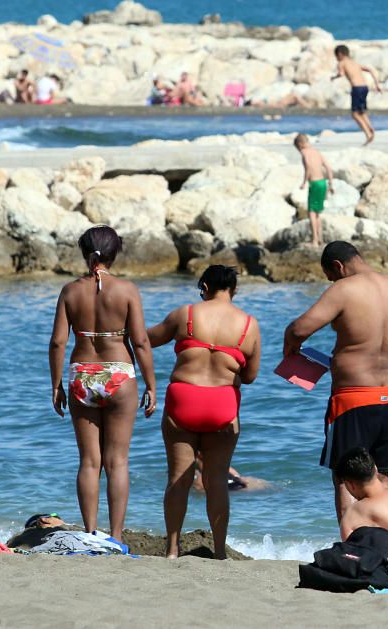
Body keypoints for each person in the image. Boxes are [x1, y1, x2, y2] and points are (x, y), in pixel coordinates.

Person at [283, 241, 388, 521]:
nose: (332, 281)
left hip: (353, 399)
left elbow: (299, 328)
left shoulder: (344, 289)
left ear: (337, 266)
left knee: (345, 476)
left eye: (331, 276)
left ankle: (351, 545)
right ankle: (383, 543)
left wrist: (292, 353)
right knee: (381, 477)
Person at [49, 226, 156, 541]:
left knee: (89, 460)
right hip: (119, 373)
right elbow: (140, 342)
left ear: (85, 254)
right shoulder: (127, 290)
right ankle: (117, 535)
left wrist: (56, 385)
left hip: (81, 374)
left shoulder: (70, 291)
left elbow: (57, 343)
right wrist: (151, 384)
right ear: (115, 254)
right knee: (117, 460)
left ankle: (90, 531)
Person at [147, 265, 261, 559]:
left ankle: (172, 550)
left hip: (183, 400)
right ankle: (220, 552)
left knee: (178, 479)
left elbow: (146, 340)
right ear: (233, 290)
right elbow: (250, 376)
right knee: (216, 480)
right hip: (222, 406)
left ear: (204, 287)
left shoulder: (184, 314)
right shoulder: (248, 325)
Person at [332, 45, 381, 145]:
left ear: (340, 54)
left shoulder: (341, 63)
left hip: (356, 88)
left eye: (336, 56)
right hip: (364, 88)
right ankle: (370, 128)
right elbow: (370, 70)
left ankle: (368, 134)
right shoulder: (354, 63)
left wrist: (334, 77)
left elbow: (341, 74)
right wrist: (377, 84)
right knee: (362, 112)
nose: (336, 59)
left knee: (354, 114)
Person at [294, 133, 334, 248]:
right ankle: (320, 239)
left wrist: (304, 182)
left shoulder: (304, 153)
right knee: (317, 213)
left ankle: (315, 241)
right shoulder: (317, 152)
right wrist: (331, 184)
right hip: (323, 183)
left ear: (300, 145)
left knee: (311, 212)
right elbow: (329, 169)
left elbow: (308, 168)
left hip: (315, 183)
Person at [192, 452, 271, 493]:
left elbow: (200, 491)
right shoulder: (223, 466)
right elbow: (238, 476)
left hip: (231, 490)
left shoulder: (198, 477)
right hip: (241, 484)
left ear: (197, 455)